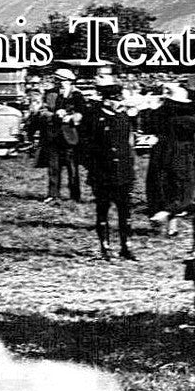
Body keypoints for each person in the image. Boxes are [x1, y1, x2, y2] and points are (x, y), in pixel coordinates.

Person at [81, 80, 137, 261]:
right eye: (114, 99)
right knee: (102, 211)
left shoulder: (124, 117)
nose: (118, 102)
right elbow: (83, 146)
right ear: (106, 100)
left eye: (119, 99)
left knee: (125, 212)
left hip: (123, 172)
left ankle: (125, 246)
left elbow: (129, 143)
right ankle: (105, 247)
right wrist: (92, 166)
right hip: (102, 173)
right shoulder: (93, 117)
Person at [145, 84, 195, 236]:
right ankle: (165, 214)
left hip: (160, 153)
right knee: (183, 187)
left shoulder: (156, 115)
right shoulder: (183, 120)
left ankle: (171, 226)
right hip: (181, 154)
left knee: (164, 187)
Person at [43, 69, 85, 203]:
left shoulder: (77, 95)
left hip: (70, 134)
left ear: (69, 81)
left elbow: (82, 113)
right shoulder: (50, 94)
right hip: (53, 134)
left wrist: (72, 118)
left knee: (72, 166)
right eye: (58, 80)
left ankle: (75, 195)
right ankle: (53, 194)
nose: (60, 84)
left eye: (62, 81)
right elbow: (43, 111)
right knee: (53, 166)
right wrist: (54, 115)